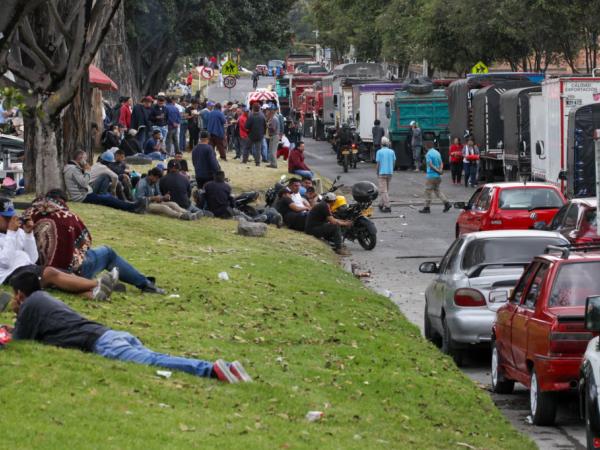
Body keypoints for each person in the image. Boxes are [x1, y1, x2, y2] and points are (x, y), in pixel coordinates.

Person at [5, 271, 252, 383]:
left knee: (155, 361)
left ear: (19, 295)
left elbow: (19, 341)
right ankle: (227, 370)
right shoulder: (45, 300)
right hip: (112, 335)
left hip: (102, 343)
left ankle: (212, 370)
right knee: (155, 357)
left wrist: (15, 317)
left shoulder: (30, 304)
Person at [25, 190, 165, 294]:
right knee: (107, 252)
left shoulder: (29, 213)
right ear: (63, 201)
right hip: (67, 272)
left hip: (38, 270)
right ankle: (145, 284)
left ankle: (112, 282)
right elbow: (85, 242)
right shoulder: (68, 217)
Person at [0, 198, 114, 301]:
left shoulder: (16, 232)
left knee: (66, 276)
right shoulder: (11, 232)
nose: (10, 220)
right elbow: (5, 263)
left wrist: (28, 234)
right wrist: (11, 233)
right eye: (6, 218)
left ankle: (95, 294)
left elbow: (33, 258)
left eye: (11, 216)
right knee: (51, 273)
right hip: (10, 275)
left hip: (28, 268)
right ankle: (98, 284)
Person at [63, 150, 147, 213]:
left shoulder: (73, 168)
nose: (86, 161)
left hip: (86, 194)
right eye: (85, 159)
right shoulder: (73, 169)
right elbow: (84, 183)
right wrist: (87, 170)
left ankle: (131, 206)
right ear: (80, 159)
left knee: (107, 198)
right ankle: (132, 207)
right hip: (82, 197)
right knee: (107, 198)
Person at [419, 141, 451, 214]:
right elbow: (441, 163)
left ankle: (427, 207)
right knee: (437, 190)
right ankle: (446, 203)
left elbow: (430, 165)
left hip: (431, 175)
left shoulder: (428, 154)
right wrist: (440, 170)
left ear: (426, 147)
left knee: (428, 191)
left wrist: (437, 171)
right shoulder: (437, 153)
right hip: (438, 177)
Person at [375, 137, 396, 213]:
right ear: (387, 144)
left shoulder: (379, 152)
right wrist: (392, 169)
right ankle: (381, 204)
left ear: (381, 144)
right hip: (389, 172)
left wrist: (377, 172)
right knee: (385, 190)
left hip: (382, 172)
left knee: (383, 190)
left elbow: (378, 164)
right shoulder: (392, 152)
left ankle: (387, 206)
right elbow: (394, 162)